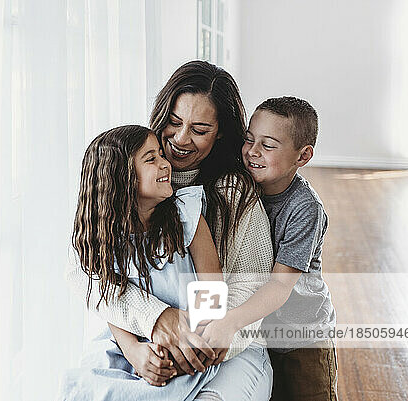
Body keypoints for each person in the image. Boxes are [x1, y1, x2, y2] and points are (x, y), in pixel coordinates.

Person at [66, 60, 274, 400]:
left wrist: (195, 344)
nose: (179, 139)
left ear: (221, 132)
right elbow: (89, 274)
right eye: (174, 122)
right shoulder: (125, 172)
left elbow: (244, 289)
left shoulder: (220, 197)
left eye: (200, 130)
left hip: (223, 348)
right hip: (140, 341)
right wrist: (150, 327)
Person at [60, 124, 225, 400]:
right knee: (83, 385)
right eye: (151, 159)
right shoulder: (105, 238)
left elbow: (213, 286)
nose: (165, 164)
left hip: (183, 343)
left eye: (161, 155)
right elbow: (112, 303)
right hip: (129, 344)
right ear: (122, 179)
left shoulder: (186, 214)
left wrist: (190, 340)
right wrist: (134, 352)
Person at [230, 96, 337, 400]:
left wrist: (231, 322)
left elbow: (280, 285)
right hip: (261, 335)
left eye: (268, 145)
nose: (253, 151)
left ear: (302, 157)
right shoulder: (241, 188)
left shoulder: (305, 208)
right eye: (249, 139)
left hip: (302, 340)